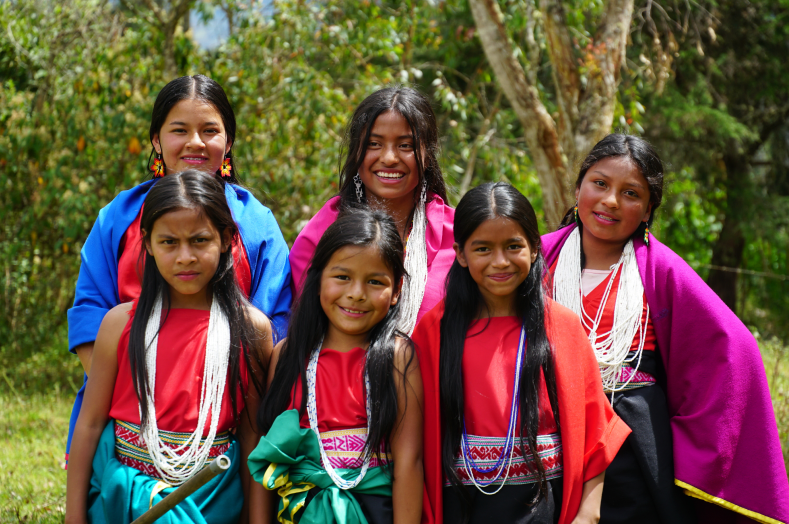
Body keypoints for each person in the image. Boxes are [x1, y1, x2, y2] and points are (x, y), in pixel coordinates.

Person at [543, 134, 789, 524]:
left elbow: (735, 347)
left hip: (629, 437)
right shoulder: (538, 258)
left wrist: (695, 442)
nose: (610, 201)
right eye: (600, 183)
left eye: (631, 193)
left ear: (647, 210)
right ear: (578, 188)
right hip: (546, 429)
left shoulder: (662, 270)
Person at [66, 74, 292, 464]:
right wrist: (136, 395)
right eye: (179, 130)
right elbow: (90, 315)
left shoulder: (255, 222)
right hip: (127, 414)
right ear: (156, 140)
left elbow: (276, 323)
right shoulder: (118, 217)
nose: (195, 143)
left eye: (210, 130)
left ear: (229, 141)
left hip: (230, 418)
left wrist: (224, 400)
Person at [412, 182, 631, 524]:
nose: (500, 262)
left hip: (542, 507)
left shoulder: (562, 328)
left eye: (513, 246)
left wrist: (587, 515)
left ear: (533, 249)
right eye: (483, 248)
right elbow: (411, 443)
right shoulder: (433, 331)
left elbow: (597, 437)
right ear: (461, 254)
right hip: (461, 509)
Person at [65, 170, 272, 524]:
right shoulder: (119, 325)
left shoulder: (251, 329)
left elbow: (253, 433)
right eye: (169, 242)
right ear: (146, 243)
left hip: (213, 495)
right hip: (126, 496)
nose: (185, 257)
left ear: (226, 240)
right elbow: (90, 423)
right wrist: (74, 516)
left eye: (200, 240)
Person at [249, 207, 424, 524]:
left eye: (374, 281)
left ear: (397, 290)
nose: (356, 294)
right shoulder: (287, 356)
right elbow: (268, 459)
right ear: (317, 280)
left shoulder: (398, 358)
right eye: (342, 277)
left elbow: (409, 462)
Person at [288, 86, 454, 335]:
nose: (389, 158)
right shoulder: (322, 232)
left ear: (427, 156)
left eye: (406, 146)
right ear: (357, 151)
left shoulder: (458, 235)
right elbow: (301, 327)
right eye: (374, 144)